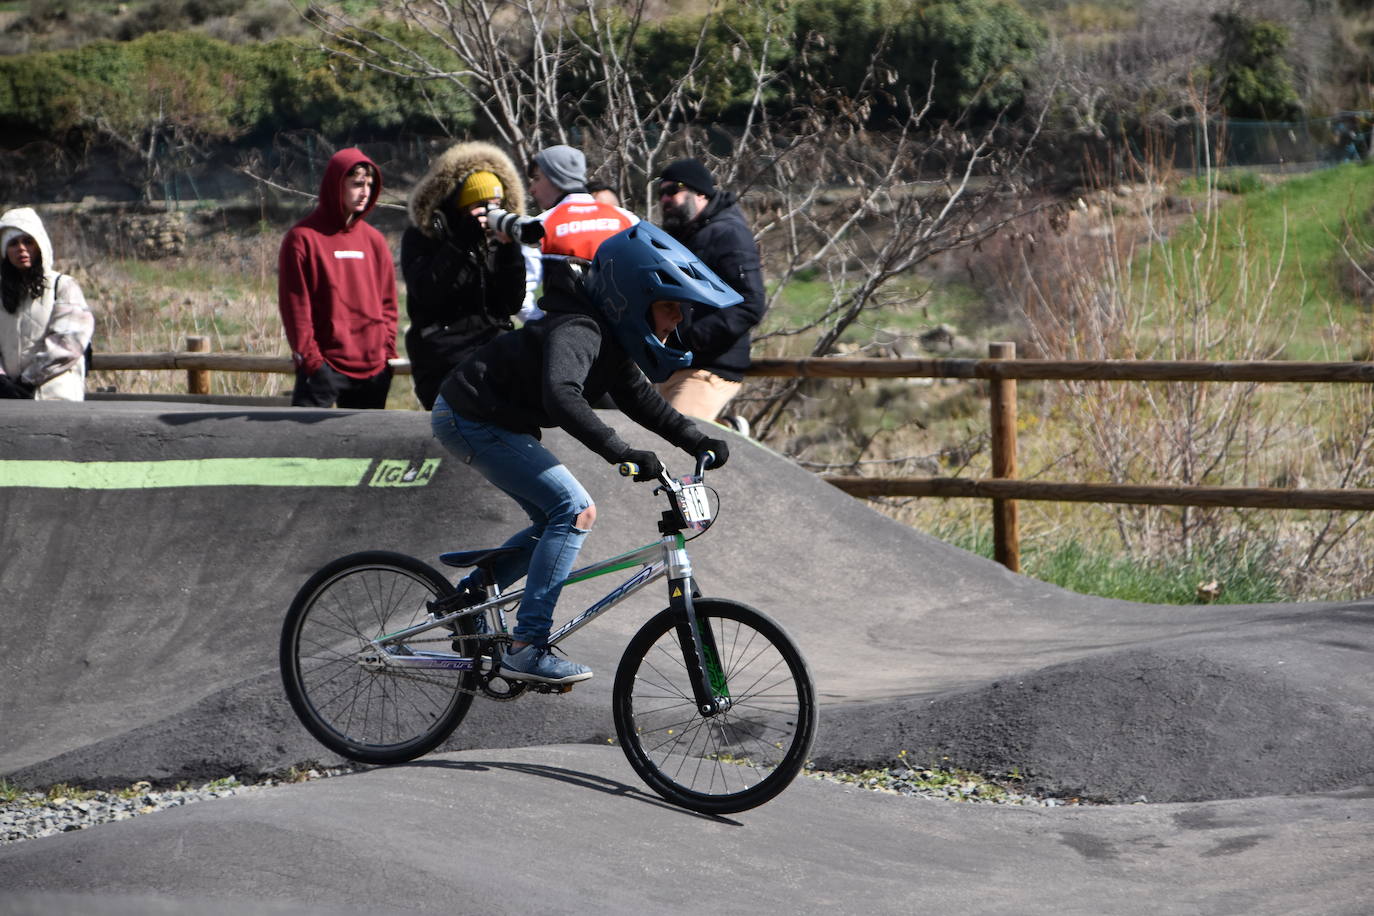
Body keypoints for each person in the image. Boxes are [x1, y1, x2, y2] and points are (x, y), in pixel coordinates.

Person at [431, 222, 740, 685]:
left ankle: (470, 598)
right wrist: (621, 452)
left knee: (552, 520)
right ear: (635, 299)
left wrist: (695, 440)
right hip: (470, 417)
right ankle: (527, 647)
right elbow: (562, 394)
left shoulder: (612, 335)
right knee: (575, 511)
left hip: (491, 419)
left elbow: (641, 399)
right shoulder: (578, 326)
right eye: (670, 305)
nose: (678, 318)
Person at [402, 141, 528, 410]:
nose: (489, 213)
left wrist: (509, 249)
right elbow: (427, 293)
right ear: (458, 207)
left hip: (493, 353)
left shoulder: (496, 240)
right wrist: (460, 244)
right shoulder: (425, 236)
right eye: (480, 205)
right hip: (441, 358)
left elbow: (511, 304)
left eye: (496, 205)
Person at [278, 148, 398, 408]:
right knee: (303, 445)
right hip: (324, 368)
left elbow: (388, 303)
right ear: (335, 185)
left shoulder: (374, 241)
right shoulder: (302, 238)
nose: (365, 192)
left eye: (369, 184)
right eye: (356, 184)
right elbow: (295, 308)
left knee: (368, 448)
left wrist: (386, 353)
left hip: (373, 367)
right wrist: (312, 362)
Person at [655, 158, 767, 429]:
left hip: (709, 368)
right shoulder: (683, 237)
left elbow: (750, 304)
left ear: (701, 193)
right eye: (661, 193)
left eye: (674, 190)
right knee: (660, 438)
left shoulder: (727, 233)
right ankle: (726, 430)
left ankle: (727, 433)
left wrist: (689, 339)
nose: (665, 199)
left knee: (671, 444)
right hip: (676, 364)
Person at [518, 144, 638, 324]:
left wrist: (542, 328)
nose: (531, 189)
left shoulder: (540, 226)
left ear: (556, 177)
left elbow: (522, 297)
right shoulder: (626, 219)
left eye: (536, 178)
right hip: (624, 336)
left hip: (567, 338)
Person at [0, 207, 94, 401]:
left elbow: (68, 342)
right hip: (8, 402)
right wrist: (3, 382)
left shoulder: (63, 286)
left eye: (28, 242)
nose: (21, 249)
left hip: (55, 398)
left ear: (40, 245)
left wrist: (27, 380)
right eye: (13, 243)